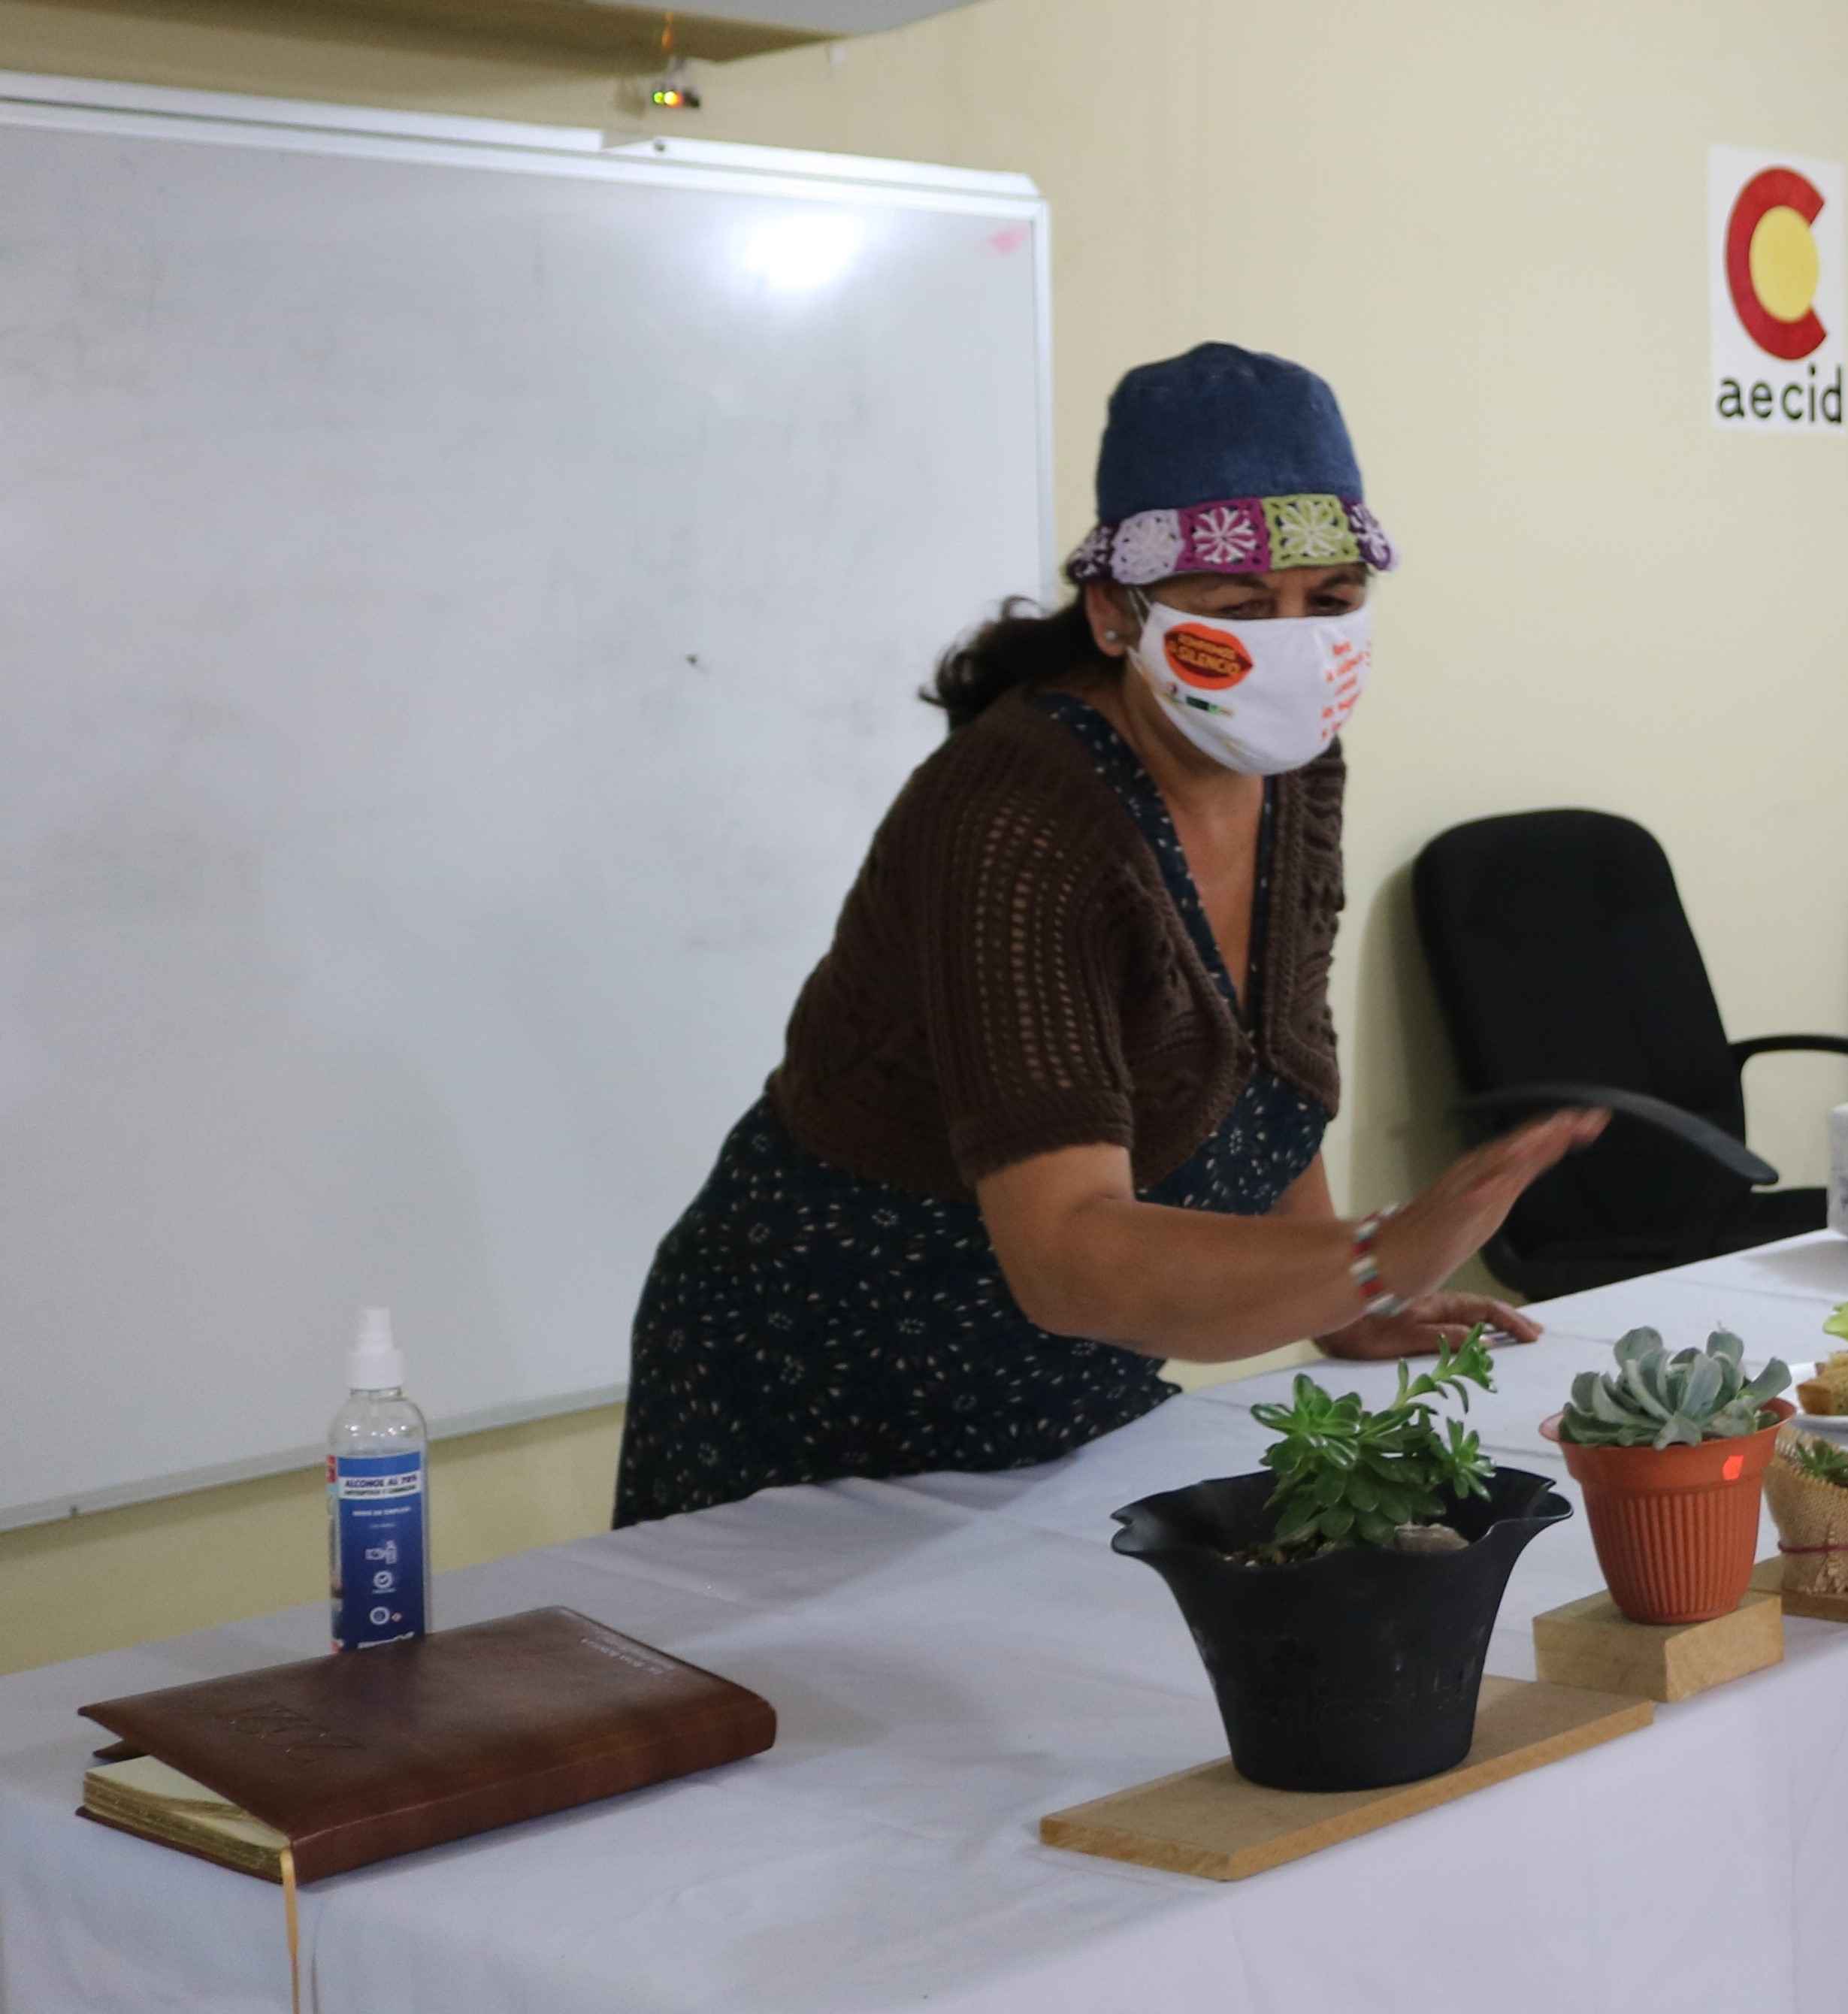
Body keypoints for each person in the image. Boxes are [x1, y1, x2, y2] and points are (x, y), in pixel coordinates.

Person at [612, 344, 1605, 1525]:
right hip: (827, 1395)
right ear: (1113, 613)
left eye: (1332, 603)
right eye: (1240, 610)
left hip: (1064, 1399)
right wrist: (1378, 1252)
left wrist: (1334, 1295)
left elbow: (1266, 1058)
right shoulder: (1020, 818)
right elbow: (1069, 1251)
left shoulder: (1290, 761)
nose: (1294, 647)